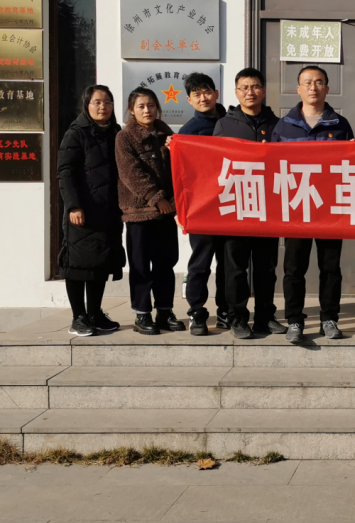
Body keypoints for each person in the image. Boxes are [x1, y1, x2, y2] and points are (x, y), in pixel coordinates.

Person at [271, 65, 355, 344]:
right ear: (298, 89)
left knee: (330, 268)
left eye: (319, 82)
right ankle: (294, 320)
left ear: (327, 89)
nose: (313, 87)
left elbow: (352, 163)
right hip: (296, 206)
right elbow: (272, 167)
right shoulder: (284, 126)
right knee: (294, 268)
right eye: (307, 82)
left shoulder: (340, 124)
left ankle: (329, 319)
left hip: (330, 208)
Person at [213, 67, 284, 341]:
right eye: (244, 87)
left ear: (263, 91)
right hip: (236, 206)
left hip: (268, 207)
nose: (250, 92)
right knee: (236, 268)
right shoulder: (224, 125)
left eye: (255, 87)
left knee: (266, 268)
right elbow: (211, 163)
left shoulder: (279, 124)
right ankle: (238, 318)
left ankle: (265, 316)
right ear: (236, 92)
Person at [56, 85, 125, 337]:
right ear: (86, 105)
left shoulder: (116, 132)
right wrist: (73, 205)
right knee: (77, 265)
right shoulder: (76, 133)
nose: (102, 107)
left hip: (108, 211)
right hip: (82, 211)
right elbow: (65, 172)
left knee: (99, 264)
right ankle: (78, 317)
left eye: (107, 102)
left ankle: (95, 314)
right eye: (97, 102)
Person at [115, 87, 184, 336]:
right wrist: (157, 198)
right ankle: (142, 314)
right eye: (141, 106)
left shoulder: (167, 135)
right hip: (139, 212)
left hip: (166, 212)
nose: (147, 110)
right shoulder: (124, 137)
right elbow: (131, 173)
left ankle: (165, 311)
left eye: (151, 105)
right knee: (141, 266)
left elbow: (179, 168)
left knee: (166, 264)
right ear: (131, 110)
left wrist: (174, 201)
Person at [176, 72, 227, 336]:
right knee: (200, 263)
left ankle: (227, 311)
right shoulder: (188, 132)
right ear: (189, 100)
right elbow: (179, 175)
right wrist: (181, 209)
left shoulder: (232, 123)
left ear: (216, 93)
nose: (203, 98)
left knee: (230, 264)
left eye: (207, 92)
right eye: (196, 94)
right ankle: (197, 312)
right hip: (202, 208)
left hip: (231, 204)